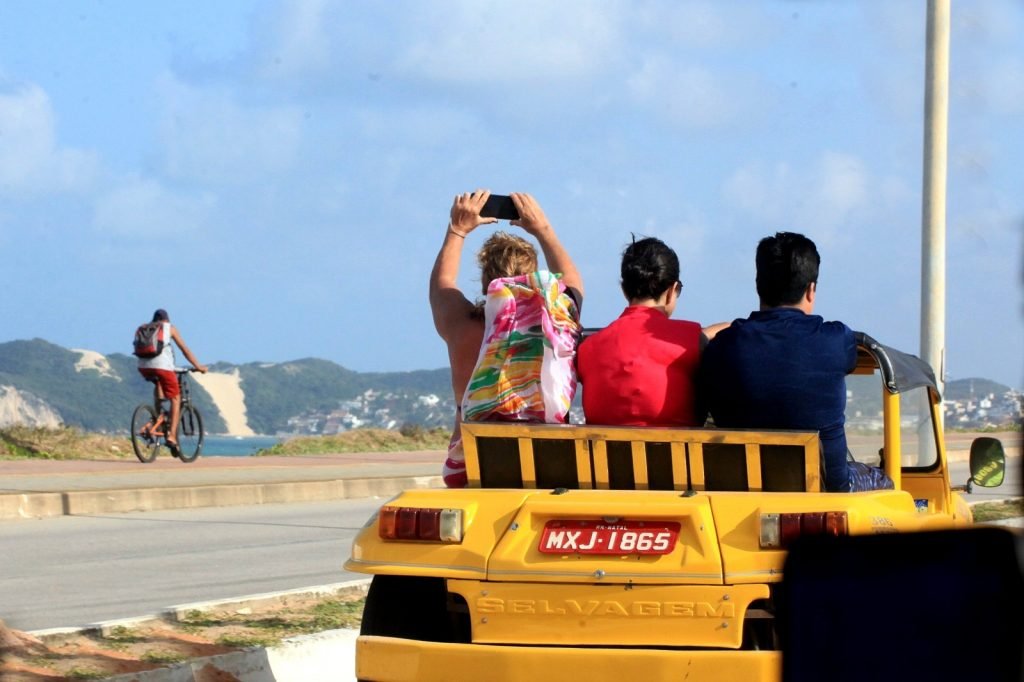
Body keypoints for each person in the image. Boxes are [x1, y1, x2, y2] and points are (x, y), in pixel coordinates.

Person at [700, 232, 893, 492]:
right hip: (829, 487)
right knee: (882, 479)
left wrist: (722, 330)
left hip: (743, 487)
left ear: (758, 284)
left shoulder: (724, 345)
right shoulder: (836, 340)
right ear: (811, 289)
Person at [429, 190, 583, 487]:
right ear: (534, 276)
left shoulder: (462, 326)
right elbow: (573, 283)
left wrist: (457, 229)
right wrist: (543, 229)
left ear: (487, 282)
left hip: (471, 464)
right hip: (547, 462)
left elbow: (442, 284)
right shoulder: (559, 317)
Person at [577, 236, 722, 426]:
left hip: (603, 456)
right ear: (672, 290)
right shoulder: (691, 339)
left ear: (624, 289)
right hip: (676, 456)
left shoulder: (588, 348)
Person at [136, 309, 208, 453]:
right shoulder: (170, 328)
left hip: (143, 366)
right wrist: (198, 366)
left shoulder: (144, 328)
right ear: (167, 320)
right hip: (163, 367)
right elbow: (185, 350)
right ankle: (172, 437)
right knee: (175, 398)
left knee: (159, 384)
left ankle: (157, 419)